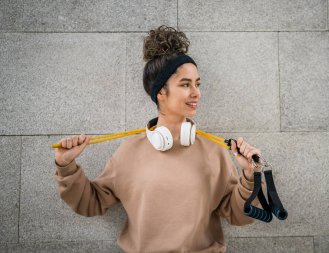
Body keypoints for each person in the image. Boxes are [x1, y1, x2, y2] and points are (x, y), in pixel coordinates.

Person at [54, 25, 266, 253]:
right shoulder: (129, 152)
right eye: (185, 84)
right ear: (160, 93)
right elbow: (91, 203)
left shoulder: (214, 152)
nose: (197, 92)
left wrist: (249, 174)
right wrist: (67, 167)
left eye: (197, 83)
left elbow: (239, 215)